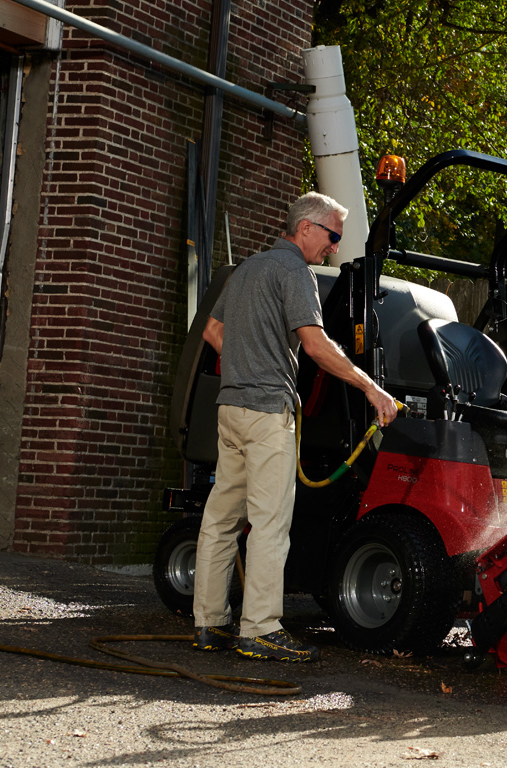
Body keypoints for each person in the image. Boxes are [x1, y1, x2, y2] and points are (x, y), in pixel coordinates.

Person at [192, 191, 398, 661]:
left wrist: (246, 361)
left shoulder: (246, 269)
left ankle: (210, 624)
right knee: (269, 524)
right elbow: (316, 345)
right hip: (267, 415)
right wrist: (372, 389)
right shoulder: (294, 272)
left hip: (231, 410)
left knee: (221, 520)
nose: (334, 246)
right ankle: (261, 629)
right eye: (332, 236)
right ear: (306, 227)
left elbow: (212, 331)